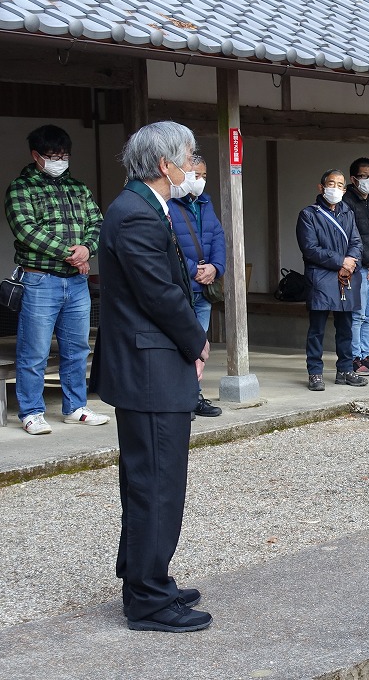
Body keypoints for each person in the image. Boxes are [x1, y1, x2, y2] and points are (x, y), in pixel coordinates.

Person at [90, 121, 212, 632]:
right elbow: (159, 293)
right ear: (165, 165)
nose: (191, 167)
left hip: (150, 363)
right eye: (188, 157)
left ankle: (145, 575)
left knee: (150, 482)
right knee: (157, 484)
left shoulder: (143, 206)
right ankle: (147, 598)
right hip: (149, 366)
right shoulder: (137, 213)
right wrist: (197, 339)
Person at [4, 124, 109, 435]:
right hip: (39, 281)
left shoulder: (79, 188)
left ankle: (75, 406)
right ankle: (31, 411)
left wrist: (88, 248)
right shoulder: (20, 188)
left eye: (64, 155)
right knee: (33, 350)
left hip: (75, 283)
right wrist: (71, 253)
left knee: (77, 348)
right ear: (36, 156)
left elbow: (98, 223)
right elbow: (26, 230)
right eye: (52, 155)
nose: (59, 160)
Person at [167, 154, 225, 418]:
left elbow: (218, 236)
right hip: (182, 285)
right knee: (180, 343)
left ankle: (194, 395)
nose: (199, 181)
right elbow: (169, 244)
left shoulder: (205, 202)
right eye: (195, 175)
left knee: (199, 344)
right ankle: (179, 398)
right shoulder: (168, 202)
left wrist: (215, 267)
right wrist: (194, 270)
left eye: (203, 176)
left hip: (203, 286)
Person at [297, 170, 366, 391]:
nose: (334, 189)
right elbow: (310, 249)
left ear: (345, 190)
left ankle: (345, 369)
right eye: (330, 183)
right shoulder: (309, 214)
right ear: (321, 187)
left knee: (345, 327)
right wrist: (341, 261)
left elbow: (356, 241)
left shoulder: (348, 212)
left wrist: (351, 261)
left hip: (346, 277)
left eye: (339, 185)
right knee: (317, 328)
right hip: (321, 277)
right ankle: (315, 373)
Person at [342, 157, 369, 376]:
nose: (368, 180)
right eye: (363, 176)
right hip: (359, 267)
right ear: (353, 179)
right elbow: (354, 236)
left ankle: (366, 356)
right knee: (357, 315)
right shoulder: (347, 202)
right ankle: (354, 358)